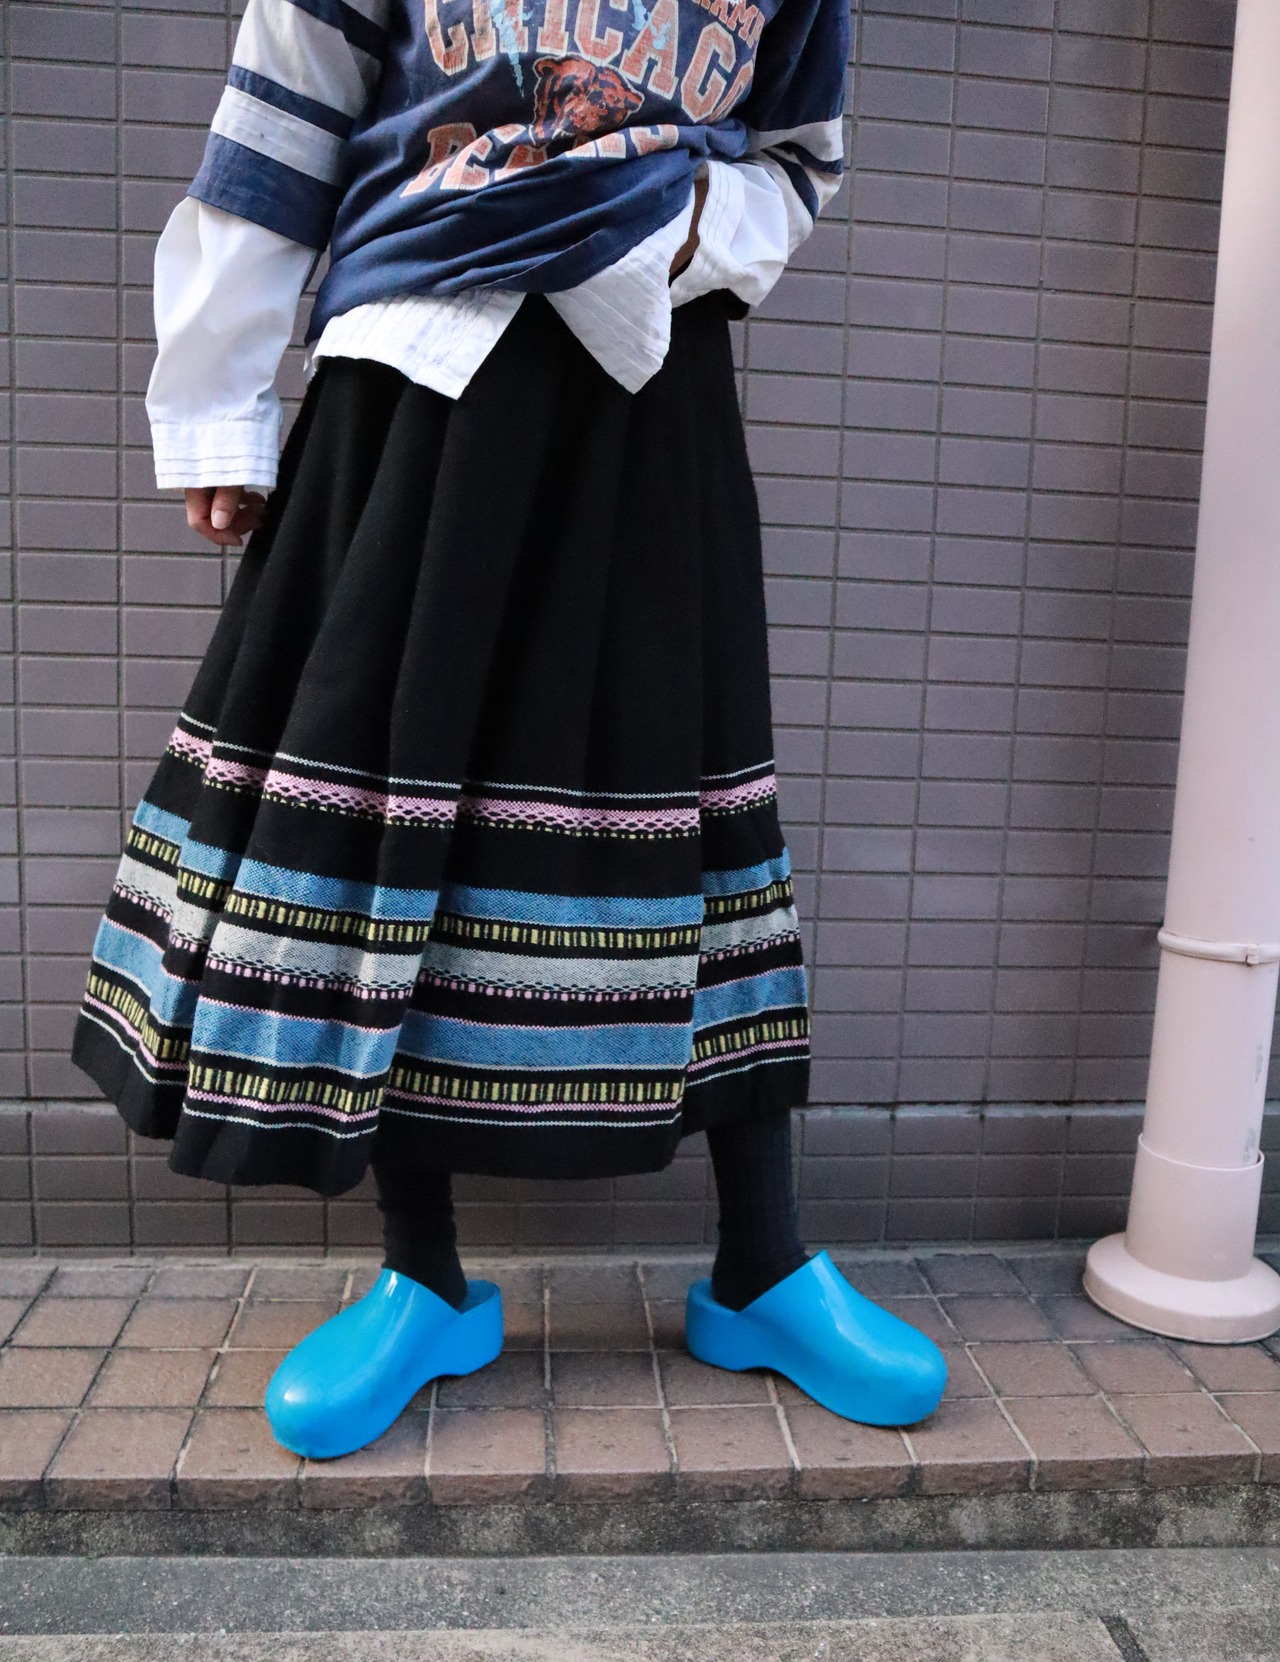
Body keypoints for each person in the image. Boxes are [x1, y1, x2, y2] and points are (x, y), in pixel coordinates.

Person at [72, 0, 947, 1458]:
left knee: (697, 796)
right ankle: (422, 1276)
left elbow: (797, 156)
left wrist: (678, 233)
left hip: (648, 382)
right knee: (389, 807)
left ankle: (764, 1261)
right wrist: (215, 399)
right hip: (411, 377)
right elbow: (282, 115)